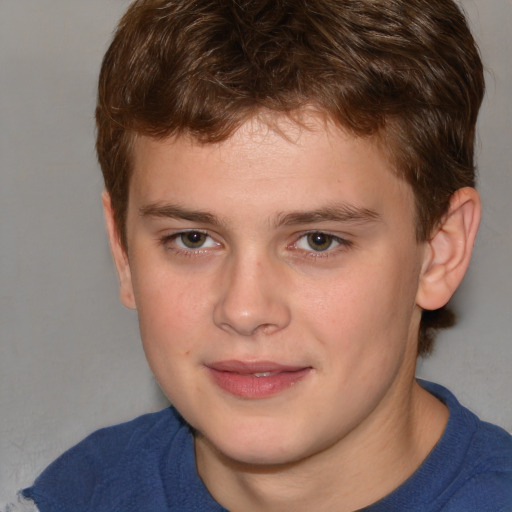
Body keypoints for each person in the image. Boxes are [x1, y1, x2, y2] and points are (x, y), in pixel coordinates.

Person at [8, 0, 512, 510]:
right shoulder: (80, 495)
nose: (245, 310)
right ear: (123, 253)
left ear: (440, 252)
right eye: (192, 239)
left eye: (319, 240)